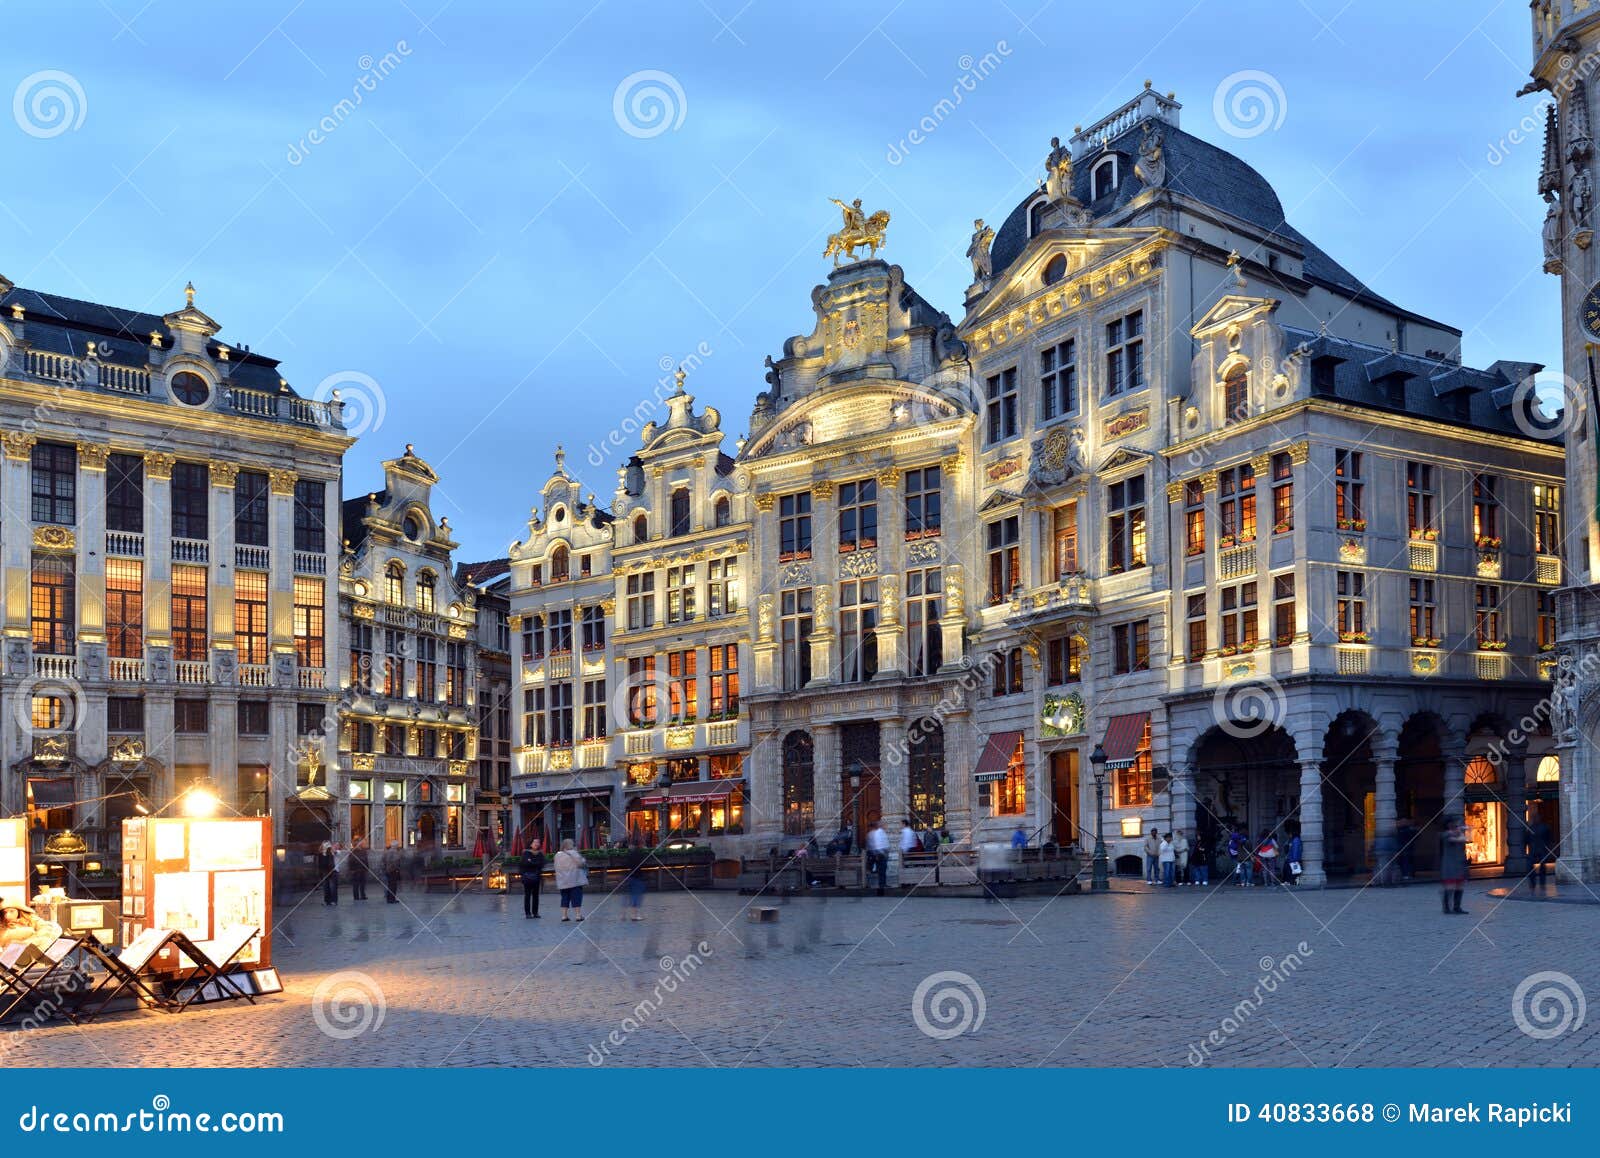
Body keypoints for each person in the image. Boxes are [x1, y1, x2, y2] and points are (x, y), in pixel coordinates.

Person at [1440, 817, 1469, 915]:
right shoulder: (1446, 834)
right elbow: (1459, 839)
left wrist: (1461, 831)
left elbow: (1466, 839)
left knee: (1459, 886)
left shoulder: (1457, 834)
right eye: (1455, 825)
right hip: (1450, 865)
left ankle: (1457, 907)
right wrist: (1461, 830)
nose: (1457, 827)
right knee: (1450, 886)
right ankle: (1447, 908)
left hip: (1459, 864)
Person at [554, 838, 587, 921]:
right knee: (576, 897)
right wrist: (583, 859)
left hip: (563, 881)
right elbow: (581, 863)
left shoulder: (557, 855)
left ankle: (564, 916)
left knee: (564, 897)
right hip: (574, 880)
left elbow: (556, 867)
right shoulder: (574, 853)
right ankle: (578, 915)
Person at [519, 839, 546, 918]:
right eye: (535, 842)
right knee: (527, 895)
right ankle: (527, 913)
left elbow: (542, 863)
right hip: (527, 877)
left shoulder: (540, 853)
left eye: (538, 842)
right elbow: (525, 863)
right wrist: (534, 863)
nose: (537, 844)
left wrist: (532, 862)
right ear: (531, 844)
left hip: (536, 877)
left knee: (536, 895)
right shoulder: (526, 853)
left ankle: (535, 912)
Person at [623, 839, 648, 920]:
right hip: (637, 877)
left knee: (631, 896)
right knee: (636, 896)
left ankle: (624, 915)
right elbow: (642, 864)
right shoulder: (639, 853)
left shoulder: (630, 853)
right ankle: (634, 915)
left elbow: (626, 864)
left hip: (630, 876)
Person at [1526, 816, 1553, 888]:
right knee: (1530, 866)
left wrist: (1547, 846)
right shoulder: (1531, 828)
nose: (1535, 819)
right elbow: (1527, 839)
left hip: (1541, 849)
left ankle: (1542, 882)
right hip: (1533, 850)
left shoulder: (1544, 827)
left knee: (1542, 866)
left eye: (1536, 818)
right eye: (1534, 818)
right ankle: (1533, 882)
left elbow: (1548, 838)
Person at [865, 820, 889, 896]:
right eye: (884, 824)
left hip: (878, 853)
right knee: (880, 870)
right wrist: (881, 853)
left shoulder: (881, 832)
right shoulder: (877, 833)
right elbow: (877, 845)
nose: (886, 826)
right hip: (877, 854)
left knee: (882, 870)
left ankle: (882, 885)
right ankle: (880, 888)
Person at [317, 841, 338, 906]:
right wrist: (320, 872)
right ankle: (327, 901)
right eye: (325, 844)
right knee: (326, 887)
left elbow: (332, 861)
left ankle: (333, 901)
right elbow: (319, 864)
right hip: (324, 871)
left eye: (328, 844)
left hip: (331, 871)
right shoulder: (320, 854)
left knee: (333, 887)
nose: (326, 846)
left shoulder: (330, 852)